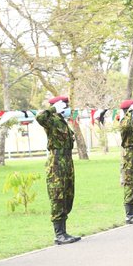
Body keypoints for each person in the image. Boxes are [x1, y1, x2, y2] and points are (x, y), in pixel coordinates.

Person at [36, 96, 81, 245]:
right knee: (58, 197)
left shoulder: (62, 122)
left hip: (67, 161)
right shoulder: (51, 120)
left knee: (68, 196)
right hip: (56, 162)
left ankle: (64, 231)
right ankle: (59, 234)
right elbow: (40, 117)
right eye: (64, 105)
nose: (67, 108)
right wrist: (53, 108)